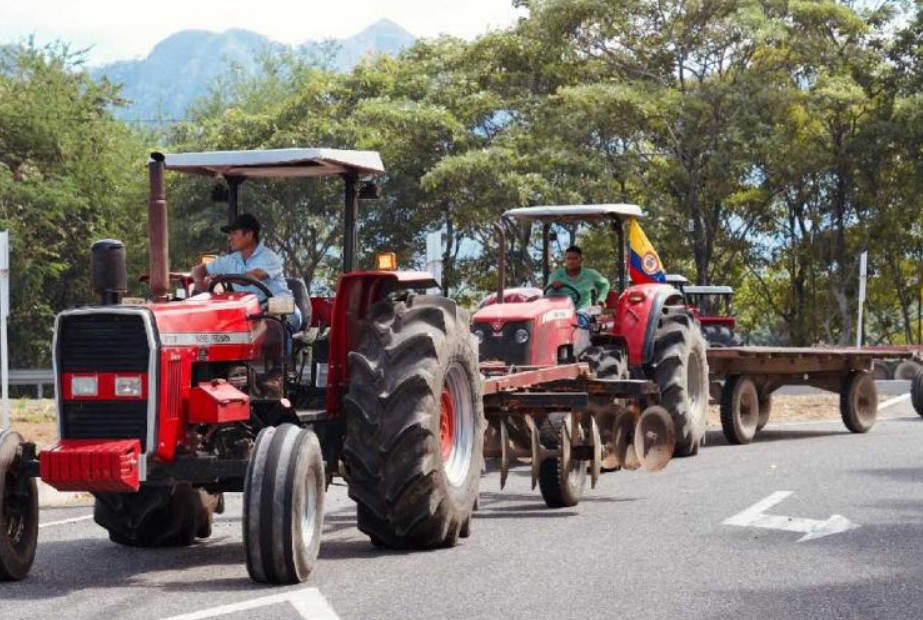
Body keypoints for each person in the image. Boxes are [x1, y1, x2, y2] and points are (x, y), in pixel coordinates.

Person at [192, 213, 302, 332]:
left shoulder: (268, 257)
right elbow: (199, 270)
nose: (230, 238)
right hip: (251, 311)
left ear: (249, 235)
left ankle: (282, 348)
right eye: (230, 234)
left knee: (274, 324)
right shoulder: (230, 260)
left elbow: (250, 278)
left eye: (234, 233)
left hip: (281, 306)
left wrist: (223, 279)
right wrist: (199, 286)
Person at [547, 245, 611, 311]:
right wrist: (553, 287)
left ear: (581, 260)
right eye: (568, 258)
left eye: (575, 258)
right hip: (561, 311)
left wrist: (601, 299)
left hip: (584, 311)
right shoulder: (556, 275)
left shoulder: (590, 274)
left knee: (589, 314)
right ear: (565, 260)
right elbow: (547, 294)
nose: (571, 261)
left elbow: (605, 284)